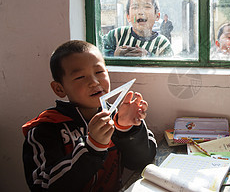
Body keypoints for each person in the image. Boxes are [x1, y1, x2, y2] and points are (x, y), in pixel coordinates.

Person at [22, 40, 157, 191]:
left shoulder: (116, 117)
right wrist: (93, 147)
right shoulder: (46, 129)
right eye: (80, 77)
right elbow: (42, 186)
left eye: (99, 72)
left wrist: (127, 129)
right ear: (59, 89)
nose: (94, 82)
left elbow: (142, 162)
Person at [103, 0, 173, 57]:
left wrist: (148, 56)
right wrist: (114, 55)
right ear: (128, 17)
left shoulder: (162, 44)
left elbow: (169, 65)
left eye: (147, 7)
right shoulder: (116, 35)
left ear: (157, 16)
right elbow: (98, 51)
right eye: (135, 7)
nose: (140, 12)